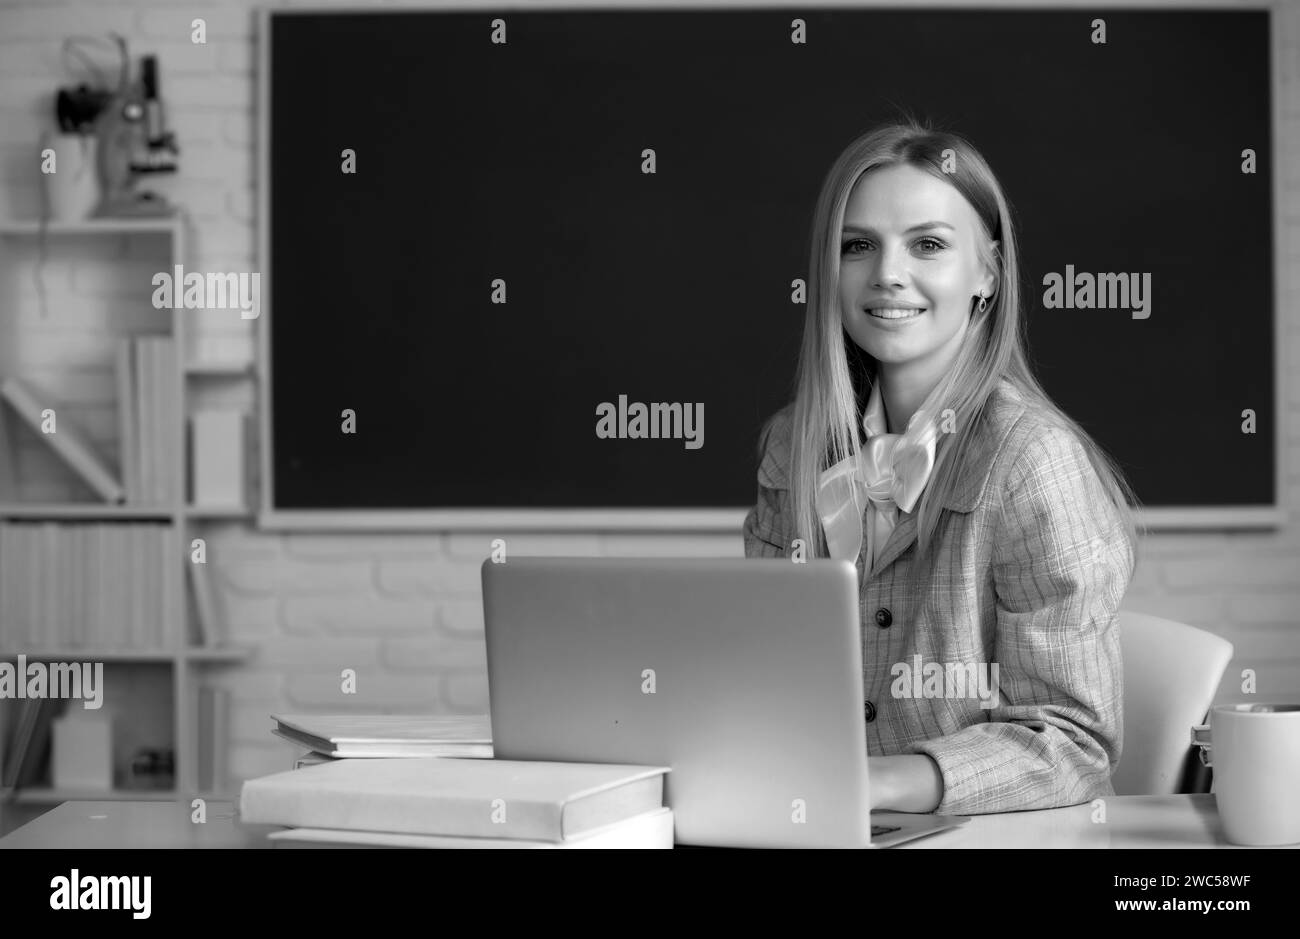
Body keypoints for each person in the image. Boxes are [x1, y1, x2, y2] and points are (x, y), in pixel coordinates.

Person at [743, 118, 1142, 816]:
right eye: (858, 245)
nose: (887, 273)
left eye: (927, 244)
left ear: (987, 271)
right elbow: (764, 680)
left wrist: (882, 782)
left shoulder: (1032, 462)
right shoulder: (793, 449)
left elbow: (1074, 739)